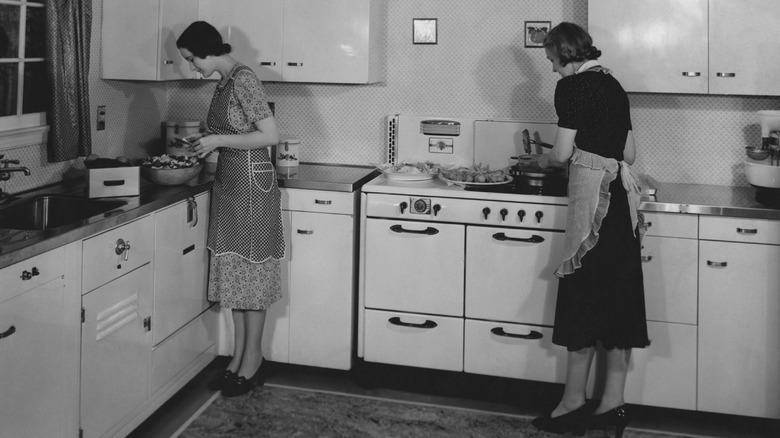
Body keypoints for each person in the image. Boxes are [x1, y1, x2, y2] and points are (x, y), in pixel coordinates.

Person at [531, 22, 650, 438]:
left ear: (565, 54)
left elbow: (562, 152)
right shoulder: (614, 84)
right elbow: (629, 152)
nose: (552, 70)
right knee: (617, 300)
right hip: (620, 205)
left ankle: (572, 403)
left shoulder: (572, 89)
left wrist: (544, 162)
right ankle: (613, 405)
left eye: (551, 61)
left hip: (592, 208)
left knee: (581, 296)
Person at [176, 21, 284, 398]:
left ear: (207, 50)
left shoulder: (244, 79)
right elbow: (235, 133)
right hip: (231, 183)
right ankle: (239, 357)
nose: (193, 68)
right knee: (238, 279)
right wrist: (206, 142)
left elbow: (270, 136)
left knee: (252, 278)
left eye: (192, 60)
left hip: (252, 187)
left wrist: (218, 139)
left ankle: (252, 361)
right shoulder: (223, 82)